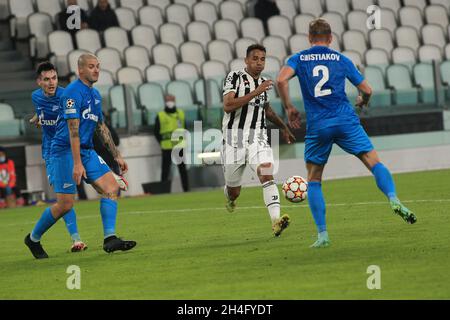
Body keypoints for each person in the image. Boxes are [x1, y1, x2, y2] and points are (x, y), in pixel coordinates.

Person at [276, 18, 417, 248]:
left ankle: (323, 236)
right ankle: (393, 198)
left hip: (318, 125)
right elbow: (367, 89)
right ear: (330, 38)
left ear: (310, 38)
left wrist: (289, 107)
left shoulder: (299, 59)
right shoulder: (341, 59)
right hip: (345, 120)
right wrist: (363, 101)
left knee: (313, 179)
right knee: (374, 162)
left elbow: (281, 80)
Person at [25, 53, 136, 259]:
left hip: (85, 149)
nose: (96, 70)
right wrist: (77, 163)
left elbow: (101, 126)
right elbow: (72, 129)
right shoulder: (72, 94)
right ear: (81, 70)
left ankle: (110, 238)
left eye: (98, 66)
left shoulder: (95, 96)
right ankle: (33, 238)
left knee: (111, 187)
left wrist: (117, 155)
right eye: (92, 66)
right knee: (66, 204)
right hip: (63, 151)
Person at [221, 44, 296, 237]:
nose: (259, 62)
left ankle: (276, 221)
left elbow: (267, 110)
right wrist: (257, 90)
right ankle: (229, 197)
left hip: (258, 137)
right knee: (234, 191)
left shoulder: (263, 83)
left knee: (266, 172)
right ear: (246, 60)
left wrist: (283, 127)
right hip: (233, 139)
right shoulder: (234, 77)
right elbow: (228, 106)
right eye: (255, 58)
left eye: (262, 59)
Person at [30, 62, 87, 252]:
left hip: (67, 150)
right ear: (39, 82)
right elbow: (43, 111)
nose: (51, 82)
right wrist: (38, 117)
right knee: (64, 198)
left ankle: (73, 238)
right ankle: (76, 239)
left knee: (65, 198)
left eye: (54, 78)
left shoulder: (66, 96)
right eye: (46, 79)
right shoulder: (36, 97)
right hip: (51, 152)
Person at [154, 95, 189, 192]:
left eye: (171, 100)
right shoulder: (160, 115)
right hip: (167, 147)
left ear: (174, 100)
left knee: (183, 170)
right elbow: (156, 131)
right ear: (164, 101)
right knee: (165, 170)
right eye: (167, 100)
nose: (169, 102)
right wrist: (162, 142)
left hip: (179, 146)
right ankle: (163, 190)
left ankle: (186, 189)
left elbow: (185, 128)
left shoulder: (181, 114)